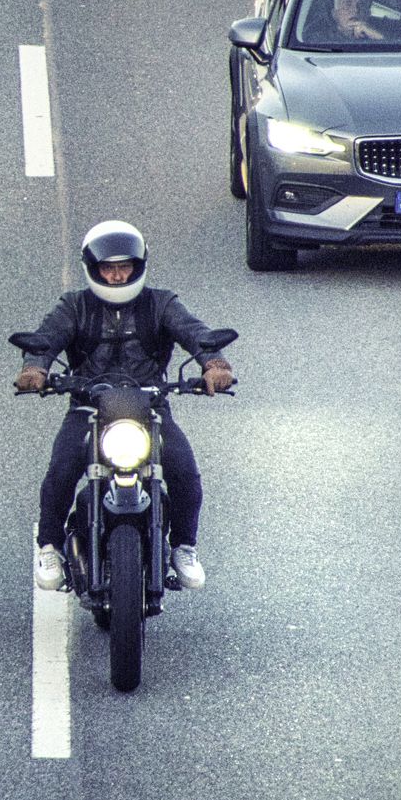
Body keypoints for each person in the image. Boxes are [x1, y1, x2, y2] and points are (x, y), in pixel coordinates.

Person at [14, 222, 235, 594]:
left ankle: (184, 546)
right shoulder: (75, 306)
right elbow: (46, 339)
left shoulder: (161, 303)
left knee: (184, 470)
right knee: (62, 469)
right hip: (89, 408)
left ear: (139, 266)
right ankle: (49, 546)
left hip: (150, 407)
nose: (117, 276)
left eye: (125, 267)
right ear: (93, 268)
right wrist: (35, 369)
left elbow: (194, 331)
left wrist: (215, 364)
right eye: (108, 268)